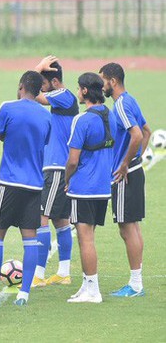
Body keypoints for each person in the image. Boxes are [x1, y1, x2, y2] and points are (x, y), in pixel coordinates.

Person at [0, 70, 51, 306]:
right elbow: (41, 142)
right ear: (40, 90)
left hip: (9, 183)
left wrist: (6, 136)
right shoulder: (46, 116)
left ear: (21, 85)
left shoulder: (8, 107)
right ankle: (24, 294)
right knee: (29, 238)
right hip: (34, 185)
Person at [100, 62, 151, 297]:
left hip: (125, 175)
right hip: (134, 171)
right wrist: (137, 159)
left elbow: (138, 134)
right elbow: (147, 130)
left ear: (112, 81)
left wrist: (124, 164)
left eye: (103, 82)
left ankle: (136, 285)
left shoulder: (120, 104)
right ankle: (136, 282)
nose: (101, 87)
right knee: (133, 227)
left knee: (126, 228)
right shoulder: (130, 100)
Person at [65, 73, 114, 304]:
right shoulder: (110, 115)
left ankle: (93, 290)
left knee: (85, 239)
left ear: (84, 91)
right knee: (89, 237)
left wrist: (66, 179)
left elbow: (73, 160)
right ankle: (86, 285)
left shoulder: (81, 120)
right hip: (103, 187)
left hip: (84, 187)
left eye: (78, 88)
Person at [31, 56, 78, 287]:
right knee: (61, 221)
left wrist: (36, 69)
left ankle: (38, 274)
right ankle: (63, 272)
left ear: (55, 82)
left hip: (56, 168)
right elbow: (27, 93)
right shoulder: (60, 99)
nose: (41, 87)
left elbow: (31, 93)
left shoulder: (63, 95)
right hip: (56, 167)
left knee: (41, 219)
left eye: (44, 82)